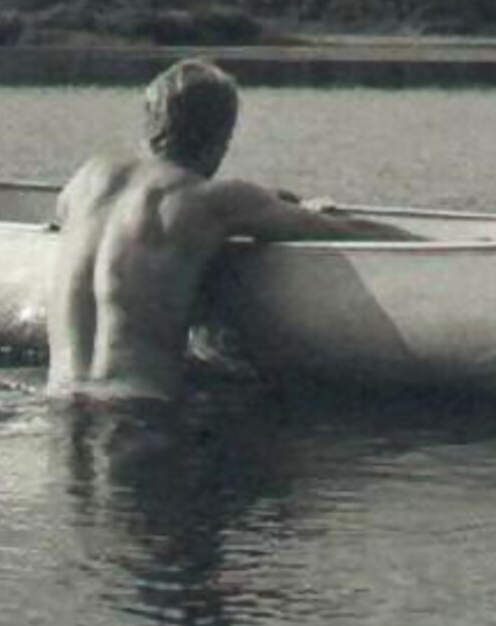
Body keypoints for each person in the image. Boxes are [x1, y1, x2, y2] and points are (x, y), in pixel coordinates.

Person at [46, 57, 417, 403]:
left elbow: (75, 218)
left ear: (151, 121)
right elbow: (342, 231)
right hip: (140, 405)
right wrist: (431, 242)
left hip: (61, 398)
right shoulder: (217, 201)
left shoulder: (87, 179)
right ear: (221, 135)